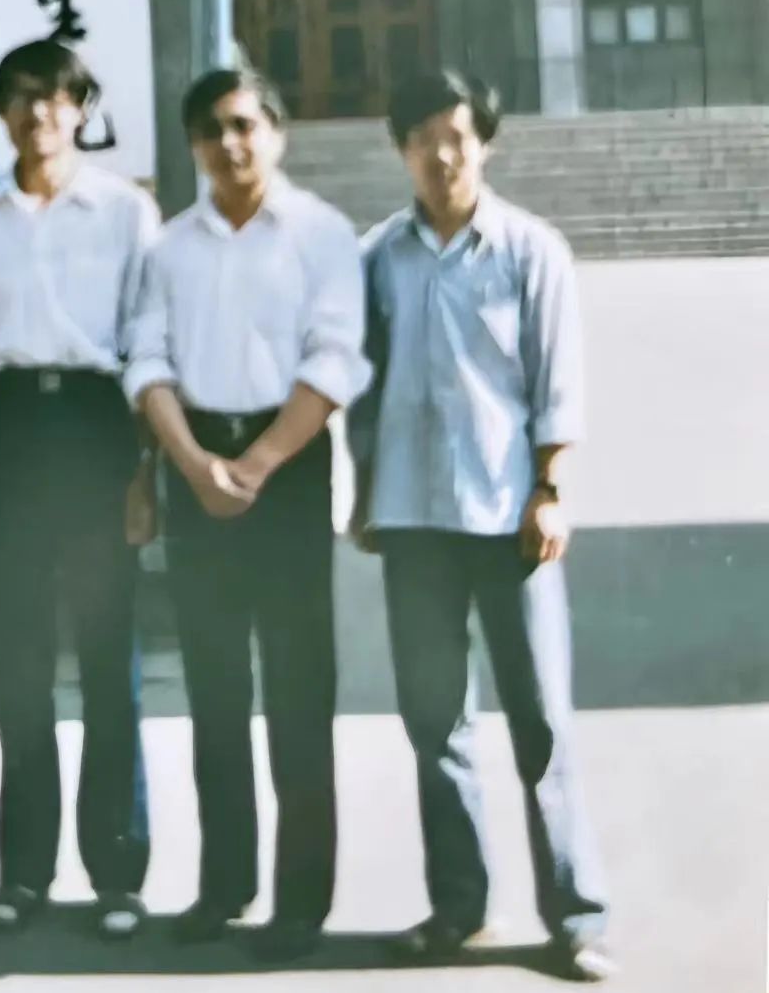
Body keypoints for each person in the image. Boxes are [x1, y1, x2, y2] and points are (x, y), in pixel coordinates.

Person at [349, 68, 613, 984]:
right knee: (436, 722)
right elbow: (364, 389)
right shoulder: (377, 257)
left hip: (509, 517)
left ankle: (576, 916)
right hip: (413, 517)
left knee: (541, 719)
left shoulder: (531, 250)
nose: (442, 154)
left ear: (485, 142)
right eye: (422, 138)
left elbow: (557, 380)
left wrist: (550, 486)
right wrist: (363, 491)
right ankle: (459, 907)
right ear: (401, 149)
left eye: (457, 135)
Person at [125, 66, 369, 964]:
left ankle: (301, 901)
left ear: (276, 131)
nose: (228, 145)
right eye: (210, 131)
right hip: (197, 467)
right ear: (193, 145)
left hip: (288, 467)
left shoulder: (321, 233)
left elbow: (335, 361)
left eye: (242, 125)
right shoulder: (170, 248)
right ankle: (224, 885)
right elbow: (146, 359)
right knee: (215, 692)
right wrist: (193, 465)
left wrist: (259, 464)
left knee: (299, 692)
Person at [0, 40, 158, 941]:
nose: (40, 112)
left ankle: (119, 872)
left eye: (57, 96)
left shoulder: (125, 211)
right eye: (22, 96)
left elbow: (149, 336)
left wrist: (144, 465)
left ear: (82, 108)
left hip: (96, 422)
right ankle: (24, 869)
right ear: (2, 112)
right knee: (21, 659)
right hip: (10, 429)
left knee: (110, 657)